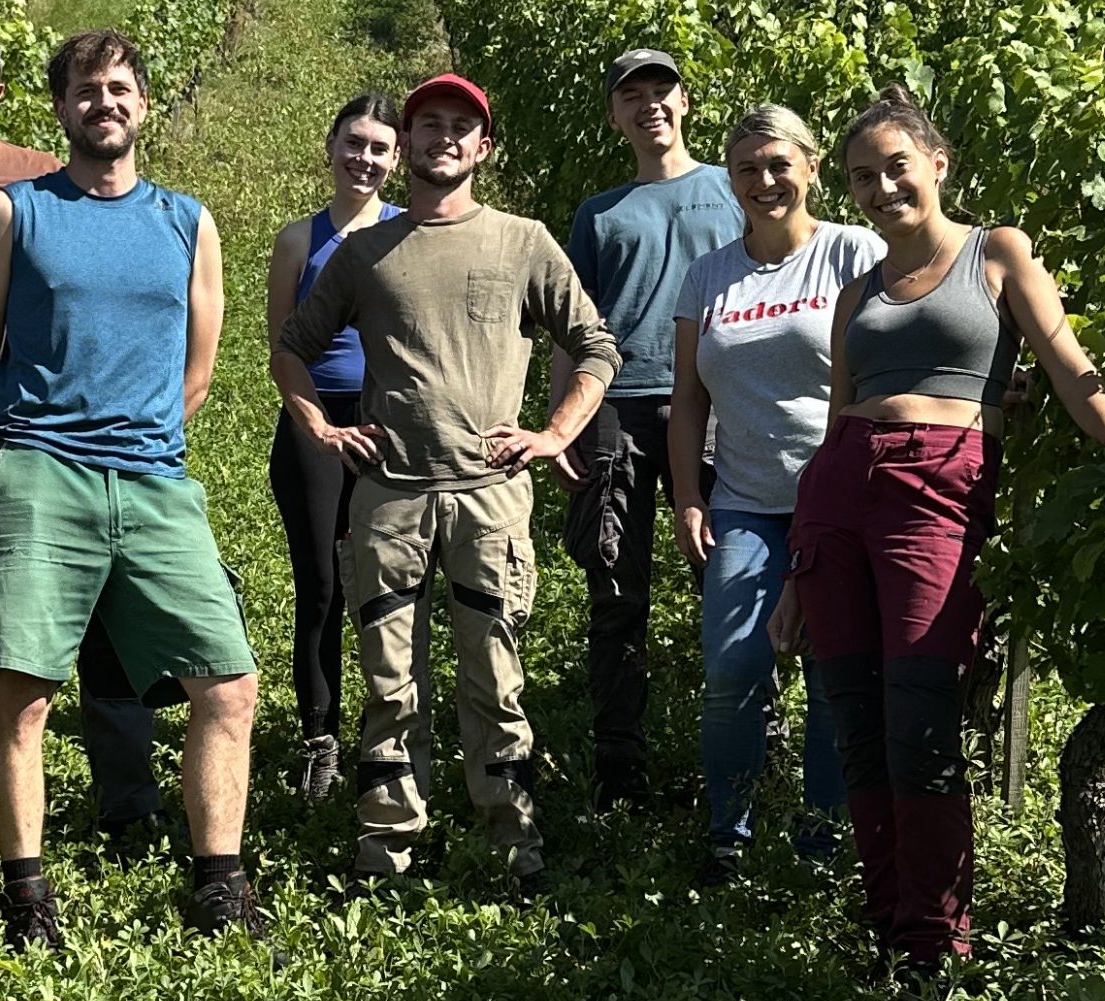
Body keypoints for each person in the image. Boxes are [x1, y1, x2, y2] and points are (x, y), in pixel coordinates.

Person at [774, 86, 1105, 973]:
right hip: (840, 493)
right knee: (855, 722)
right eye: (861, 177)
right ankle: (886, 922)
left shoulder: (995, 251)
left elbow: (1068, 365)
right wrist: (790, 576)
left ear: (937, 163)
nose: (881, 187)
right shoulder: (858, 294)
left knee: (920, 724)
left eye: (897, 166)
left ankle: (933, 945)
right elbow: (832, 426)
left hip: (939, 486)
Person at [0, 28, 263, 946]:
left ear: (144, 102)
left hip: (157, 481)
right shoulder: (16, 214)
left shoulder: (187, 222)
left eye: (121, 87)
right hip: (44, 472)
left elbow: (195, 373)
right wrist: (35, 443)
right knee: (26, 689)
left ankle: (217, 885)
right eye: (87, 90)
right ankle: (27, 896)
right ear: (60, 108)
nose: (105, 103)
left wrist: (138, 436)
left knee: (228, 684)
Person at [277, 74, 621, 890]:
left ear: (483, 147)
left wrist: (552, 433)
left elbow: (596, 346)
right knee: (389, 686)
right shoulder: (364, 252)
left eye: (462, 126)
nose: (445, 136)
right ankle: (385, 853)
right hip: (390, 494)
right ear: (408, 141)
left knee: (495, 678)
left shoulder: (522, 240)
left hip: (489, 496)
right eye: (429, 122)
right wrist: (320, 427)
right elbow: (292, 346)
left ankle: (513, 848)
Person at [0, 15, 167, 844]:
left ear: (3, 89)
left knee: (101, 618)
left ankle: (125, 801)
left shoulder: (34, 179)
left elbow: (182, 365)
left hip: (42, 445)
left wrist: (33, 430)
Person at [668, 105, 876, 885]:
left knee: (830, 676)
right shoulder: (710, 274)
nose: (764, 181)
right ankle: (731, 831)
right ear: (732, 180)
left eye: (779, 165)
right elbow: (688, 399)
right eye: (748, 169)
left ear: (812, 168)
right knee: (731, 668)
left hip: (842, 501)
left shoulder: (853, 252)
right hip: (745, 502)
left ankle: (820, 840)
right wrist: (690, 494)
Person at [558, 48, 744, 811]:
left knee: (726, 581)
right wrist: (564, 422)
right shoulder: (598, 214)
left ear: (686, 102)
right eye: (630, 96)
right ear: (613, 117)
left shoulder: (734, 191)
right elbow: (575, 329)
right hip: (617, 408)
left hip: (718, 403)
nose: (648, 106)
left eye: (661, 91)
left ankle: (737, 755)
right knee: (615, 588)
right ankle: (620, 767)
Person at [262, 92, 402, 800]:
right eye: (354, 143)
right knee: (318, 584)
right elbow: (281, 348)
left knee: (389, 585)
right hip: (314, 421)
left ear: (396, 158)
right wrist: (312, 421)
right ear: (331, 144)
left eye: (379, 148)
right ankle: (321, 736)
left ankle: (395, 730)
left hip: (388, 425)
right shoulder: (297, 240)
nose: (364, 158)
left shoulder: (411, 232)